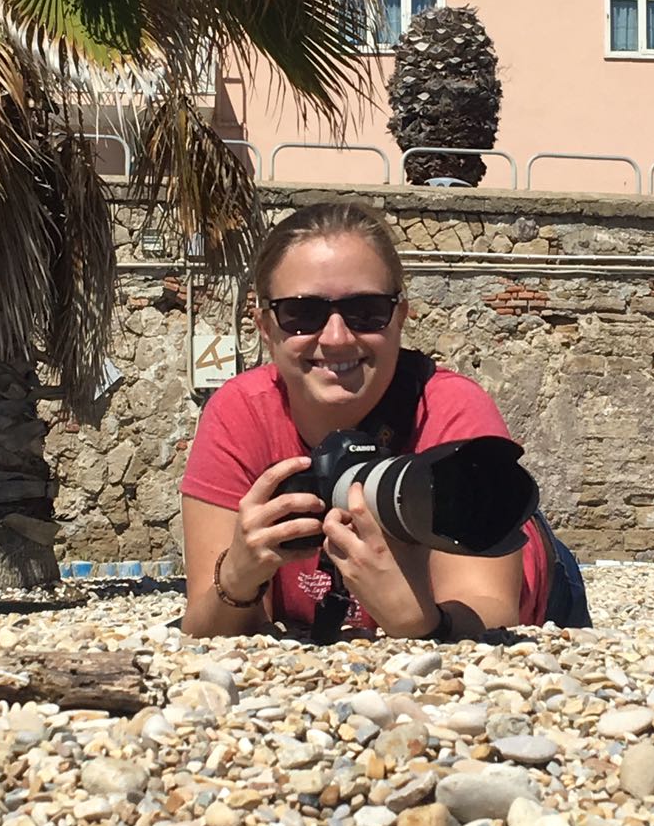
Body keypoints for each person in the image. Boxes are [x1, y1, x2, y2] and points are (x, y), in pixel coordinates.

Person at [180, 201, 589, 640]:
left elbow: (490, 609)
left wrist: (421, 622)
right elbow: (205, 630)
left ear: (400, 317)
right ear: (265, 327)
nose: (336, 337)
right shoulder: (241, 413)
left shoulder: (449, 410)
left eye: (366, 312)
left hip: (542, 592)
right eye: (302, 314)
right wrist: (236, 580)